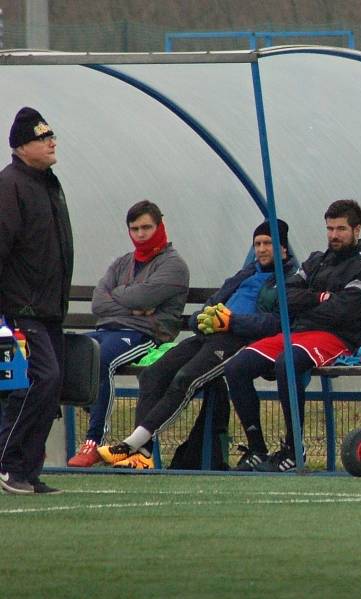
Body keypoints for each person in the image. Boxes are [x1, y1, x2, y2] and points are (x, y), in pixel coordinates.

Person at [95, 219, 296, 469]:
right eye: (258, 244)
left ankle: (130, 445)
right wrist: (203, 319)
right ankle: (142, 456)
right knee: (152, 375)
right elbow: (210, 303)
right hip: (209, 336)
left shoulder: (288, 280)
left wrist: (231, 322)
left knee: (184, 379)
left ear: (283, 249)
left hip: (238, 341)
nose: (262, 249)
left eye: (269, 244)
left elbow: (275, 323)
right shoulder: (245, 274)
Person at [224, 199, 361, 473]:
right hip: (298, 333)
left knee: (288, 363)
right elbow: (283, 296)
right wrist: (321, 298)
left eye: (341, 229)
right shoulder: (316, 261)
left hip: (337, 339)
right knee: (237, 366)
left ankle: (293, 449)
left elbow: (345, 311)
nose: (334, 235)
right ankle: (257, 449)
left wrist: (309, 304)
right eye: (330, 228)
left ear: (357, 229)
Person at [66, 200, 190, 467]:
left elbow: (144, 296)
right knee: (68, 354)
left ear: (160, 226)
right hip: (108, 329)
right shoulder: (123, 262)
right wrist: (133, 306)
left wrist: (121, 298)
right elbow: (98, 302)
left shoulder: (173, 265)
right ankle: (33, 441)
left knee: (100, 360)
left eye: (146, 227)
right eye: (135, 229)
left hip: (145, 334)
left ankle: (94, 441)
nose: (141, 234)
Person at [0, 107, 73, 494]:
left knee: (51, 384)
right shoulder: (9, 186)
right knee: (39, 380)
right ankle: (8, 462)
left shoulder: (48, 183)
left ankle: (28, 470)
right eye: (43, 139)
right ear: (21, 147)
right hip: (21, 308)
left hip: (49, 309)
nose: (51, 143)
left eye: (52, 136)